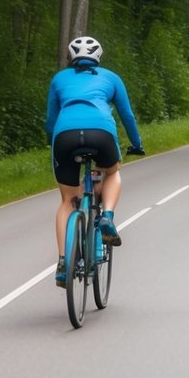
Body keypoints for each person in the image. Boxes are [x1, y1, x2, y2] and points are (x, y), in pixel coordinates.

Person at [46, 35, 144, 287]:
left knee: (68, 200)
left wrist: (53, 142)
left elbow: (50, 120)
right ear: (98, 57)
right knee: (111, 172)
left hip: (65, 136)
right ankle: (107, 217)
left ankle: (63, 263)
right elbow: (127, 115)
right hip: (101, 133)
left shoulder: (59, 79)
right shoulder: (110, 78)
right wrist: (137, 144)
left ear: (71, 57)